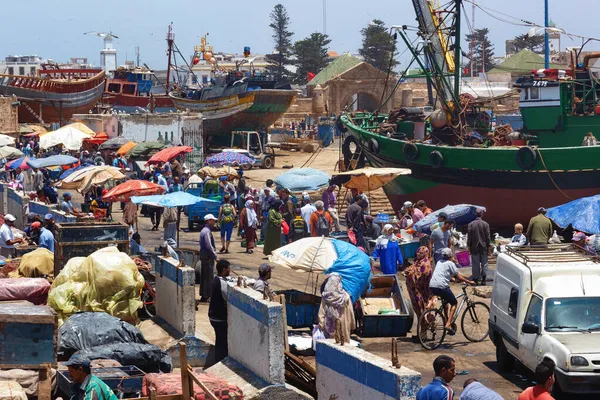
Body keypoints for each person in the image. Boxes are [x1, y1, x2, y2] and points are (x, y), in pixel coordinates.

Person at [429, 248, 475, 335]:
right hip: (442, 286)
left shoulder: (439, 262)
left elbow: (442, 273)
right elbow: (459, 277)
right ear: (450, 255)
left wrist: (451, 279)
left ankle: (445, 320)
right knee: (454, 303)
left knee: (445, 302)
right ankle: (448, 323)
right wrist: (469, 281)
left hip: (432, 285)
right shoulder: (451, 263)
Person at [317, 273, 355, 344]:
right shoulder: (345, 297)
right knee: (344, 345)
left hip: (329, 327)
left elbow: (321, 313)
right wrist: (352, 325)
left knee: (331, 346)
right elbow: (350, 312)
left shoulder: (325, 297)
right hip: (343, 325)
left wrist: (321, 325)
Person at [208, 259, 231, 364]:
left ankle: (219, 360)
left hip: (213, 316)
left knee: (219, 340)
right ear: (224, 270)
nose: (229, 270)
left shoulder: (215, 279)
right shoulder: (222, 283)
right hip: (219, 318)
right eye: (228, 268)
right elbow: (228, 298)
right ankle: (221, 361)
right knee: (222, 341)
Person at [404, 246, 433, 319]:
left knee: (422, 308)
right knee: (417, 308)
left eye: (420, 253)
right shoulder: (417, 261)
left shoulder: (426, 263)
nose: (418, 254)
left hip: (422, 291)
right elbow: (412, 267)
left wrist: (411, 273)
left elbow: (422, 274)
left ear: (425, 253)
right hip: (416, 291)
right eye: (417, 252)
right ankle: (423, 324)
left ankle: (425, 325)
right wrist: (407, 271)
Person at [467, 209, 491, 286]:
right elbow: (488, 237)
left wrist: (469, 247)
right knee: (484, 263)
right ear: (482, 214)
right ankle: (484, 279)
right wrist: (489, 248)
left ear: (475, 214)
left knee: (475, 264)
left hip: (474, 247)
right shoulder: (486, 224)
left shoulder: (471, 224)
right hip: (484, 247)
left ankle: (475, 280)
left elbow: (469, 237)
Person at [199, 214, 218, 302]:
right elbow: (209, 246)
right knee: (208, 277)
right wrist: (215, 256)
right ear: (209, 221)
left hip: (204, 256)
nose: (214, 222)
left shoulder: (204, 230)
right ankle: (207, 295)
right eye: (213, 220)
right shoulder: (206, 232)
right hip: (208, 256)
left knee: (205, 276)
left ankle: (204, 294)